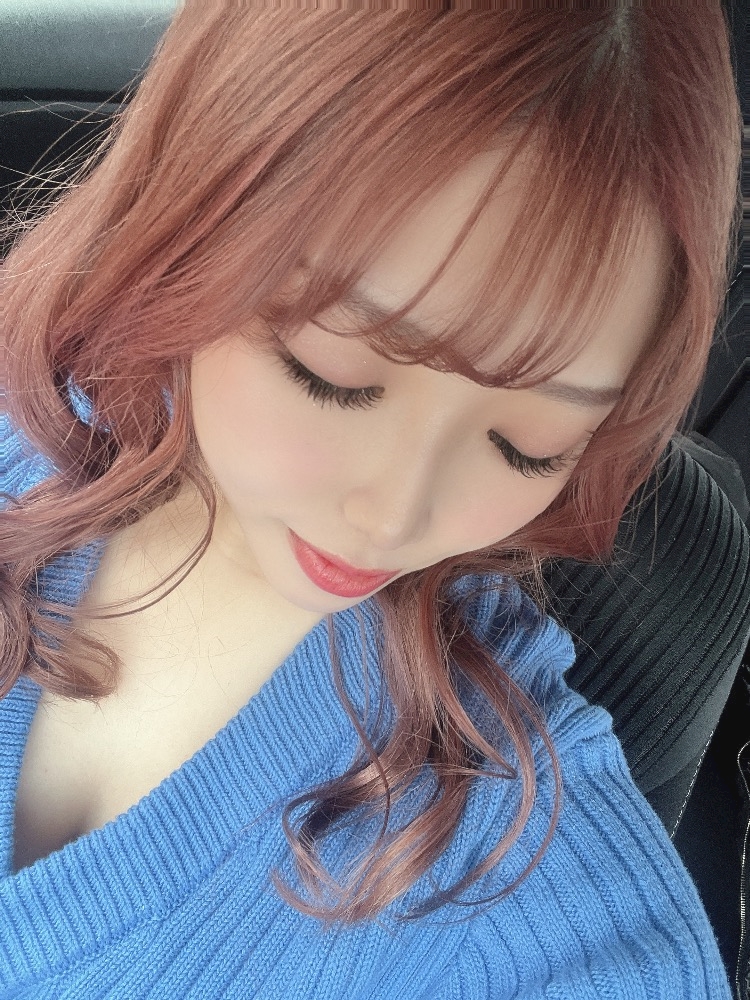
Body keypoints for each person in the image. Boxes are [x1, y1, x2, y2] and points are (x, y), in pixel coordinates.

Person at [0, 4, 742, 998]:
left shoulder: (529, 884)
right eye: (331, 377)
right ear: (187, 237)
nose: (395, 519)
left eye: (529, 445)